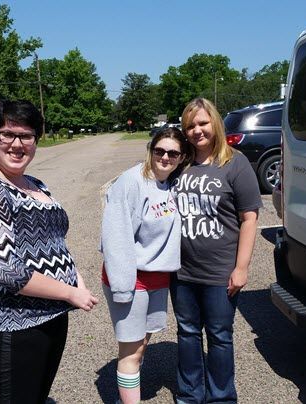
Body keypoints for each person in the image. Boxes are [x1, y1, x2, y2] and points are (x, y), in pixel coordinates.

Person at [0, 99, 98, 404]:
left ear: (36, 140)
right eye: (7, 134)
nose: (16, 144)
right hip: (14, 324)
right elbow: (6, 271)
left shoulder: (34, 184)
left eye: (26, 136)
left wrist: (76, 279)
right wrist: (68, 292)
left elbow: (55, 241)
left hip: (50, 316)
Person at [171, 98, 263, 403]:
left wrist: (242, 267)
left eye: (202, 123)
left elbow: (249, 218)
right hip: (181, 271)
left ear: (215, 124)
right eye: (191, 126)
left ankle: (222, 397)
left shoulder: (235, 163)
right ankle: (189, 395)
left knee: (220, 337)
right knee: (187, 333)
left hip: (219, 272)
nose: (197, 130)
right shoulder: (180, 163)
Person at [101, 127, 188, 404]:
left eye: (172, 153)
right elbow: (116, 239)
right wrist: (122, 288)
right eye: (159, 150)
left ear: (181, 157)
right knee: (131, 351)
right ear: (150, 150)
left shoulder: (171, 184)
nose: (165, 157)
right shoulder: (131, 182)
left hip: (157, 278)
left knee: (141, 345)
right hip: (130, 277)